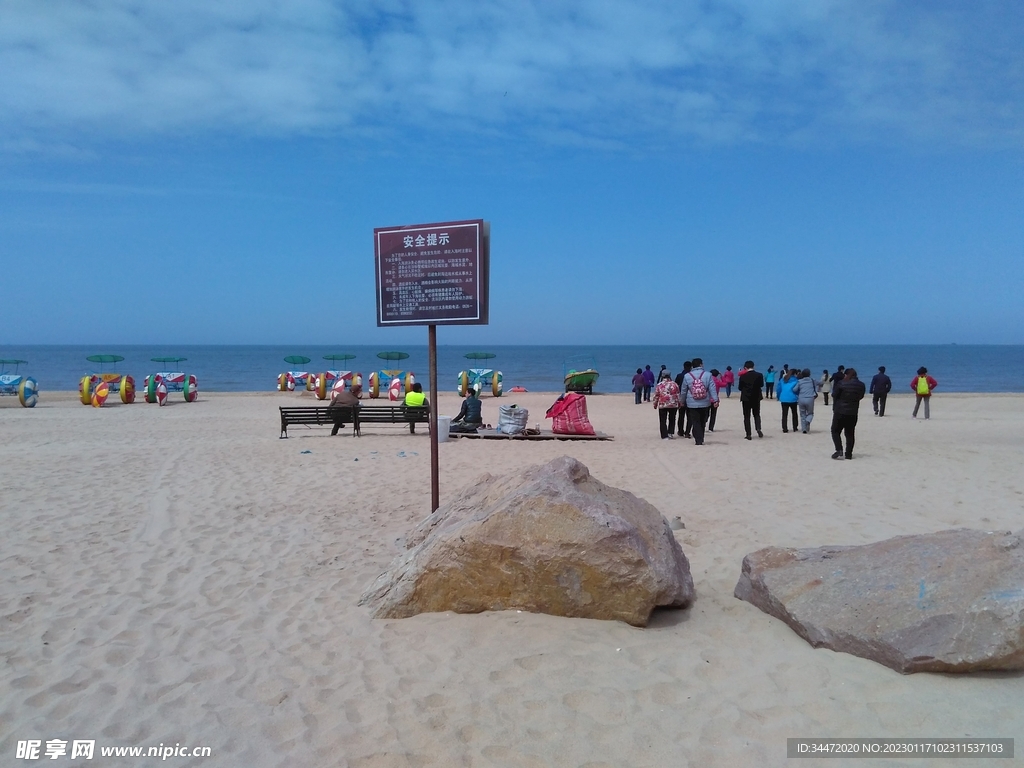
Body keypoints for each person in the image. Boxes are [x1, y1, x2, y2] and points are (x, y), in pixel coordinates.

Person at [681, 357, 719, 446]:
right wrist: (715, 400)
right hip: (705, 402)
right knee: (703, 420)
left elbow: (684, 390)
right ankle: (700, 437)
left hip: (691, 402)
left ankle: (698, 439)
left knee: (695, 421)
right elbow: (712, 388)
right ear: (701, 364)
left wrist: (682, 400)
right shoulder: (708, 375)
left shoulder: (687, 376)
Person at [831, 368, 865, 460]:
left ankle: (839, 449)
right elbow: (861, 396)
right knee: (850, 433)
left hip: (840, 410)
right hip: (853, 411)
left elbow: (834, 394)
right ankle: (849, 454)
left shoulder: (841, 383)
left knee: (835, 431)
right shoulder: (861, 385)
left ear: (846, 375)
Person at [738, 360, 764, 440]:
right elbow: (761, 385)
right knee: (756, 414)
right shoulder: (759, 375)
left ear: (745, 368)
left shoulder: (743, 376)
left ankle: (748, 434)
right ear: (753, 366)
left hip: (746, 398)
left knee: (746, 416)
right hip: (756, 397)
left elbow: (740, 388)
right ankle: (758, 428)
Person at [652, 370, 680, 439]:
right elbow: (678, 395)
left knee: (662, 420)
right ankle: (670, 433)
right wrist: (679, 403)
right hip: (673, 404)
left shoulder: (660, 385)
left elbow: (656, 395)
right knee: (672, 419)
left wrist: (655, 404)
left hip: (663, 404)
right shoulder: (674, 384)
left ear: (662, 375)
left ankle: (664, 435)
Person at [793, 368, 818, 433]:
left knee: (802, 414)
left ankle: (804, 429)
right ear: (809, 374)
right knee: (810, 413)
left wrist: (798, 393)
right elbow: (819, 383)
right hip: (810, 399)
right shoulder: (813, 380)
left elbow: (795, 390)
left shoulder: (800, 381)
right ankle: (808, 421)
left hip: (801, 399)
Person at [776, 368, 800, 433]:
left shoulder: (782, 380)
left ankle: (785, 428)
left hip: (784, 398)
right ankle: (795, 427)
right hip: (793, 398)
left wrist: (778, 396)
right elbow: (797, 390)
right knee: (794, 413)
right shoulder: (796, 381)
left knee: (784, 414)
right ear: (795, 374)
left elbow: (778, 389)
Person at [674, 361, 693, 437]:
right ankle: (687, 432)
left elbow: (675, 386)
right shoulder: (691, 376)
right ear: (691, 367)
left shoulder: (679, 375)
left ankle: (681, 431)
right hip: (690, 398)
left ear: (683, 366)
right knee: (690, 416)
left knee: (681, 416)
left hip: (681, 397)